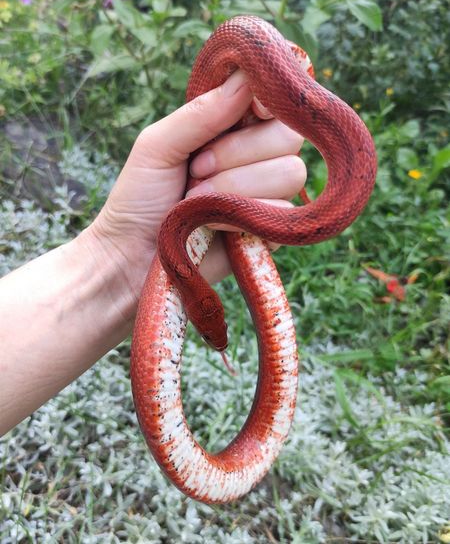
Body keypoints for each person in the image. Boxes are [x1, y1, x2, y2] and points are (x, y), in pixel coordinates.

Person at [0, 70, 306, 436]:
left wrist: (119, 265)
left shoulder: (177, 248)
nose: (214, 338)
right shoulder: (175, 247)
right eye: (210, 334)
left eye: (211, 333)